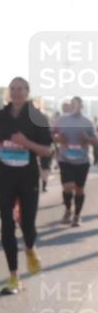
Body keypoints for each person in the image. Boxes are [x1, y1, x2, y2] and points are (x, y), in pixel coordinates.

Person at [0, 77, 53, 295]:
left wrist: (26, 143)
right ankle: (14, 277)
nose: (16, 92)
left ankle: (31, 247)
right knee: (6, 223)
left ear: (27, 91)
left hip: (28, 175)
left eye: (20, 89)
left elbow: (47, 151)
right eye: (13, 89)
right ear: (8, 92)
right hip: (5, 174)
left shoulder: (38, 118)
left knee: (28, 223)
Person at [53, 96, 97, 227]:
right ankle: (68, 210)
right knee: (68, 186)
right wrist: (59, 138)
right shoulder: (61, 120)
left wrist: (87, 138)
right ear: (70, 106)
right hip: (65, 159)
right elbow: (51, 134)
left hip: (82, 160)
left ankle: (77, 216)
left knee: (79, 189)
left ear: (82, 106)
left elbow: (96, 141)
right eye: (74, 104)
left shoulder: (87, 122)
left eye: (79, 104)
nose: (76, 107)